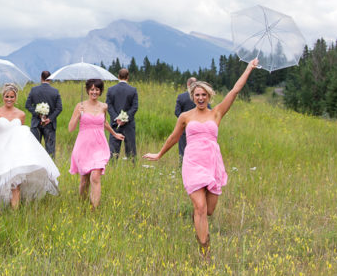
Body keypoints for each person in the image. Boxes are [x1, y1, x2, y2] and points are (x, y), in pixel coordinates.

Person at [144, 58, 260, 261]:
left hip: (212, 162)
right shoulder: (185, 117)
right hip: (192, 163)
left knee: (209, 210)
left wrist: (249, 68)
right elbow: (174, 137)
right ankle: (205, 251)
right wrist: (159, 154)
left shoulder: (217, 113)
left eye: (203, 95)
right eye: (197, 95)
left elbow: (234, 91)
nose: (200, 98)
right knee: (200, 207)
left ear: (209, 96)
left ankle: (198, 222)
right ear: (192, 96)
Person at [0, 82, 60, 212]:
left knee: (16, 184)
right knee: (0, 181)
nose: (9, 99)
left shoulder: (21, 114)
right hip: (1, 151)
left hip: (15, 153)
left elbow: (21, 135)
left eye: (12, 97)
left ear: (15, 98)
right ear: (3, 97)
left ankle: (15, 213)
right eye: (7, 96)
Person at [68, 79, 125, 209]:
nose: (94, 92)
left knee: (95, 176)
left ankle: (94, 208)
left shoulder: (103, 106)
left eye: (97, 89)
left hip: (99, 144)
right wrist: (78, 115)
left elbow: (104, 123)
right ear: (88, 90)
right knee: (84, 181)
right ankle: (82, 204)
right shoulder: (80, 106)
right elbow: (70, 128)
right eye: (92, 89)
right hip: (84, 145)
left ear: (100, 91)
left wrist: (115, 134)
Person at [25, 70, 64, 158]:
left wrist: (37, 114)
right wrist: (50, 119)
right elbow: (59, 108)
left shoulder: (34, 90)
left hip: (36, 124)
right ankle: (50, 171)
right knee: (50, 152)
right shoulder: (55, 91)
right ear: (50, 79)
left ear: (41, 78)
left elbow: (27, 105)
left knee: (34, 150)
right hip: (50, 125)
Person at [107, 68, 138, 160]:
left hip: (115, 124)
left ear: (118, 76)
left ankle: (112, 169)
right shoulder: (133, 90)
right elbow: (135, 107)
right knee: (131, 151)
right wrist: (125, 118)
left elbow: (108, 105)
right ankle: (132, 168)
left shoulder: (111, 90)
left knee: (113, 151)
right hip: (129, 125)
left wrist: (116, 118)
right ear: (128, 77)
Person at [175, 77, 199, 160]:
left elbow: (177, 112)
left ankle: (182, 169)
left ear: (187, 84)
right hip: (198, 129)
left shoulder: (181, 97)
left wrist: (184, 120)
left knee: (183, 152)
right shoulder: (201, 97)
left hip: (184, 128)